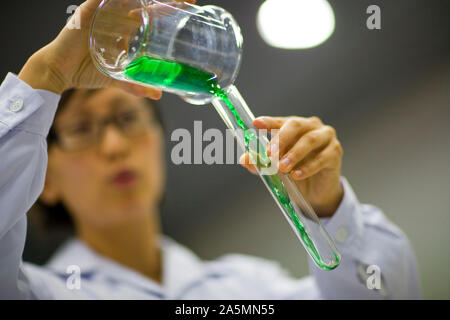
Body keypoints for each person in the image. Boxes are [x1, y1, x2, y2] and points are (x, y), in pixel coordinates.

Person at [0, 0, 420, 299]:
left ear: (157, 138)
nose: (114, 146)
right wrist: (48, 74)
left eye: (127, 119)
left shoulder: (249, 286)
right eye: (83, 129)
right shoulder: (40, 291)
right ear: (45, 174)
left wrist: (329, 209)